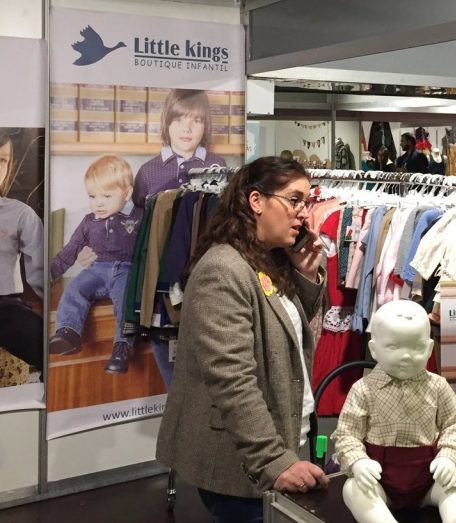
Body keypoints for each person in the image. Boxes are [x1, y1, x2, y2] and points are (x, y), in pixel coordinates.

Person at [156, 157, 329, 523]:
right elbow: (232, 379)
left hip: (279, 442)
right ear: (256, 201)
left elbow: (289, 332)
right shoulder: (223, 269)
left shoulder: (267, 261)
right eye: (294, 200)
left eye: (307, 201)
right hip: (243, 460)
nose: (304, 213)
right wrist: (271, 459)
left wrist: (305, 277)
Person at [332, 300, 456, 523]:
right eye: (393, 347)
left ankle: (455, 519)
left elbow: (454, 425)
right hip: (380, 482)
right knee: (353, 489)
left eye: (417, 347)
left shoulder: (438, 386)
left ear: (429, 349)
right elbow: (347, 434)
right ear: (374, 349)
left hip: (429, 479)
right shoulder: (363, 389)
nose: (407, 356)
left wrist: (448, 457)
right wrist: (358, 461)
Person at [132, 88, 227, 387]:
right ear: (166, 122)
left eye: (196, 120)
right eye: (179, 119)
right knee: (167, 348)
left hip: (204, 272)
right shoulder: (149, 171)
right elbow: (138, 224)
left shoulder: (219, 164)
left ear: (206, 126)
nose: (187, 128)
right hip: (160, 273)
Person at [49, 156, 143, 374]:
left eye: (106, 196)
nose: (98, 203)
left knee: (124, 302)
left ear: (126, 194)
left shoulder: (139, 215)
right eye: (92, 196)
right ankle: (68, 333)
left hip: (126, 270)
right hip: (97, 269)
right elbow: (69, 251)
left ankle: (122, 347)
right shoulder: (89, 222)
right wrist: (48, 275)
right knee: (74, 289)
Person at [0, 130, 44, 371]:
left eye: (3, 160)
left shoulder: (20, 214)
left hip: (4, 307)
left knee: (41, 342)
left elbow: (40, 272)